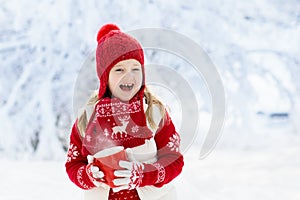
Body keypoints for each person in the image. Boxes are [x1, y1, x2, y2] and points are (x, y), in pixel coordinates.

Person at [65, 23, 184, 200]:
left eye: (135, 69)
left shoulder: (154, 113)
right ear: (105, 75)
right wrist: (88, 175)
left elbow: (174, 160)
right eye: (119, 69)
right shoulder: (88, 117)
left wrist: (144, 174)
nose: (129, 76)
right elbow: (73, 165)